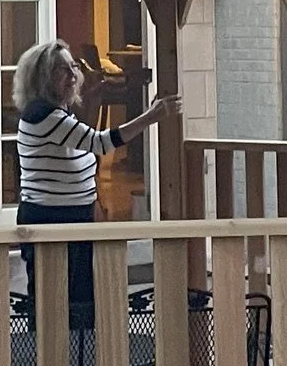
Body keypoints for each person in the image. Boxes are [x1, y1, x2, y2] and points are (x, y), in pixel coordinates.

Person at [12, 39, 177, 325]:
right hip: (53, 221)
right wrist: (152, 116)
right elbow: (99, 143)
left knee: (79, 302)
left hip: (73, 219)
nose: (73, 76)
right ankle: (51, 365)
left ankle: (79, 364)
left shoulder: (56, 113)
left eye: (73, 67)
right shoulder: (43, 115)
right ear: (43, 77)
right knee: (54, 305)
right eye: (62, 70)